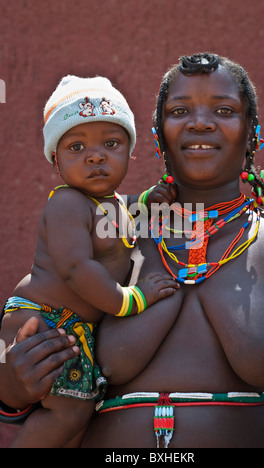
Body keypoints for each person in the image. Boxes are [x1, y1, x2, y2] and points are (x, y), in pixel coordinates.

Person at [1, 52, 264, 448]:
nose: (200, 122)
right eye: (180, 110)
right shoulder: (113, 230)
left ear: (251, 130)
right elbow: (36, 299)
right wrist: (10, 380)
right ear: (157, 133)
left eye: (224, 109)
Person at [0, 74, 178, 448]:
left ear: (130, 151)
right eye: (76, 147)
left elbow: (121, 217)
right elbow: (76, 268)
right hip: (43, 318)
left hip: (71, 327)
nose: (95, 156)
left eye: (110, 143)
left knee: (79, 419)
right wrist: (132, 299)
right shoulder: (66, 203)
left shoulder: (110, 206)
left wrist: (147, 200)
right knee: (68, 413)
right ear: (56, 163)